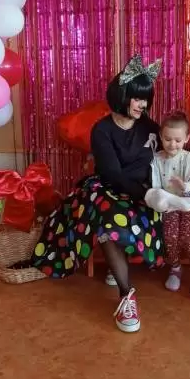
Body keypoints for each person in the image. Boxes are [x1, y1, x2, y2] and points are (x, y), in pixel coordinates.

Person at [29, 54, 171, 334]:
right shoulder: (102, 130)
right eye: (137, 97)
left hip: (144, 193)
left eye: (146, 98)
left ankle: (116, 264)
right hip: (108, 189)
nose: (142, 104)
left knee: (117, 218)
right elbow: (113, 175)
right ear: (122, 95)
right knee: (107, 216)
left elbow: (171, 157)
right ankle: (127, 295)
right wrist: (147, 196)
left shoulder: (151, 127)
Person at [146, 111, 190, 300]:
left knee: (187, 237)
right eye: (167, 139)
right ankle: (175, 268)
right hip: (169, 206)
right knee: (169, 236)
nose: (172, 144)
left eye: (178, 140)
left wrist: (184, 186)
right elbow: (155, 186)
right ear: (161, 136)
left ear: (187, 139)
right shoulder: (156, 160)